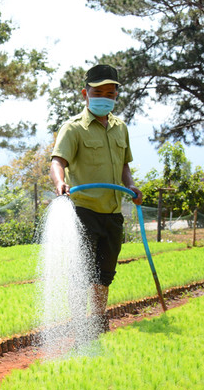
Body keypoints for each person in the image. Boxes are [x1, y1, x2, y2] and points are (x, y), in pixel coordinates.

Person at [50, 64, 143, 332]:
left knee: (105, 273)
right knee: (81, 272)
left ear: (116, 96)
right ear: (85, 94)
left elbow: (124, 165)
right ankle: (79, 323)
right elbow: (58, 161)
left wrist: (132, 186)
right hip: (83, 211)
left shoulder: (120, 128)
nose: (104, 98)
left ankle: (99, 321)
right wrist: (60, 183)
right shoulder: (73, 128)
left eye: (110, 93)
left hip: (112, 212)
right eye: (98, 92)